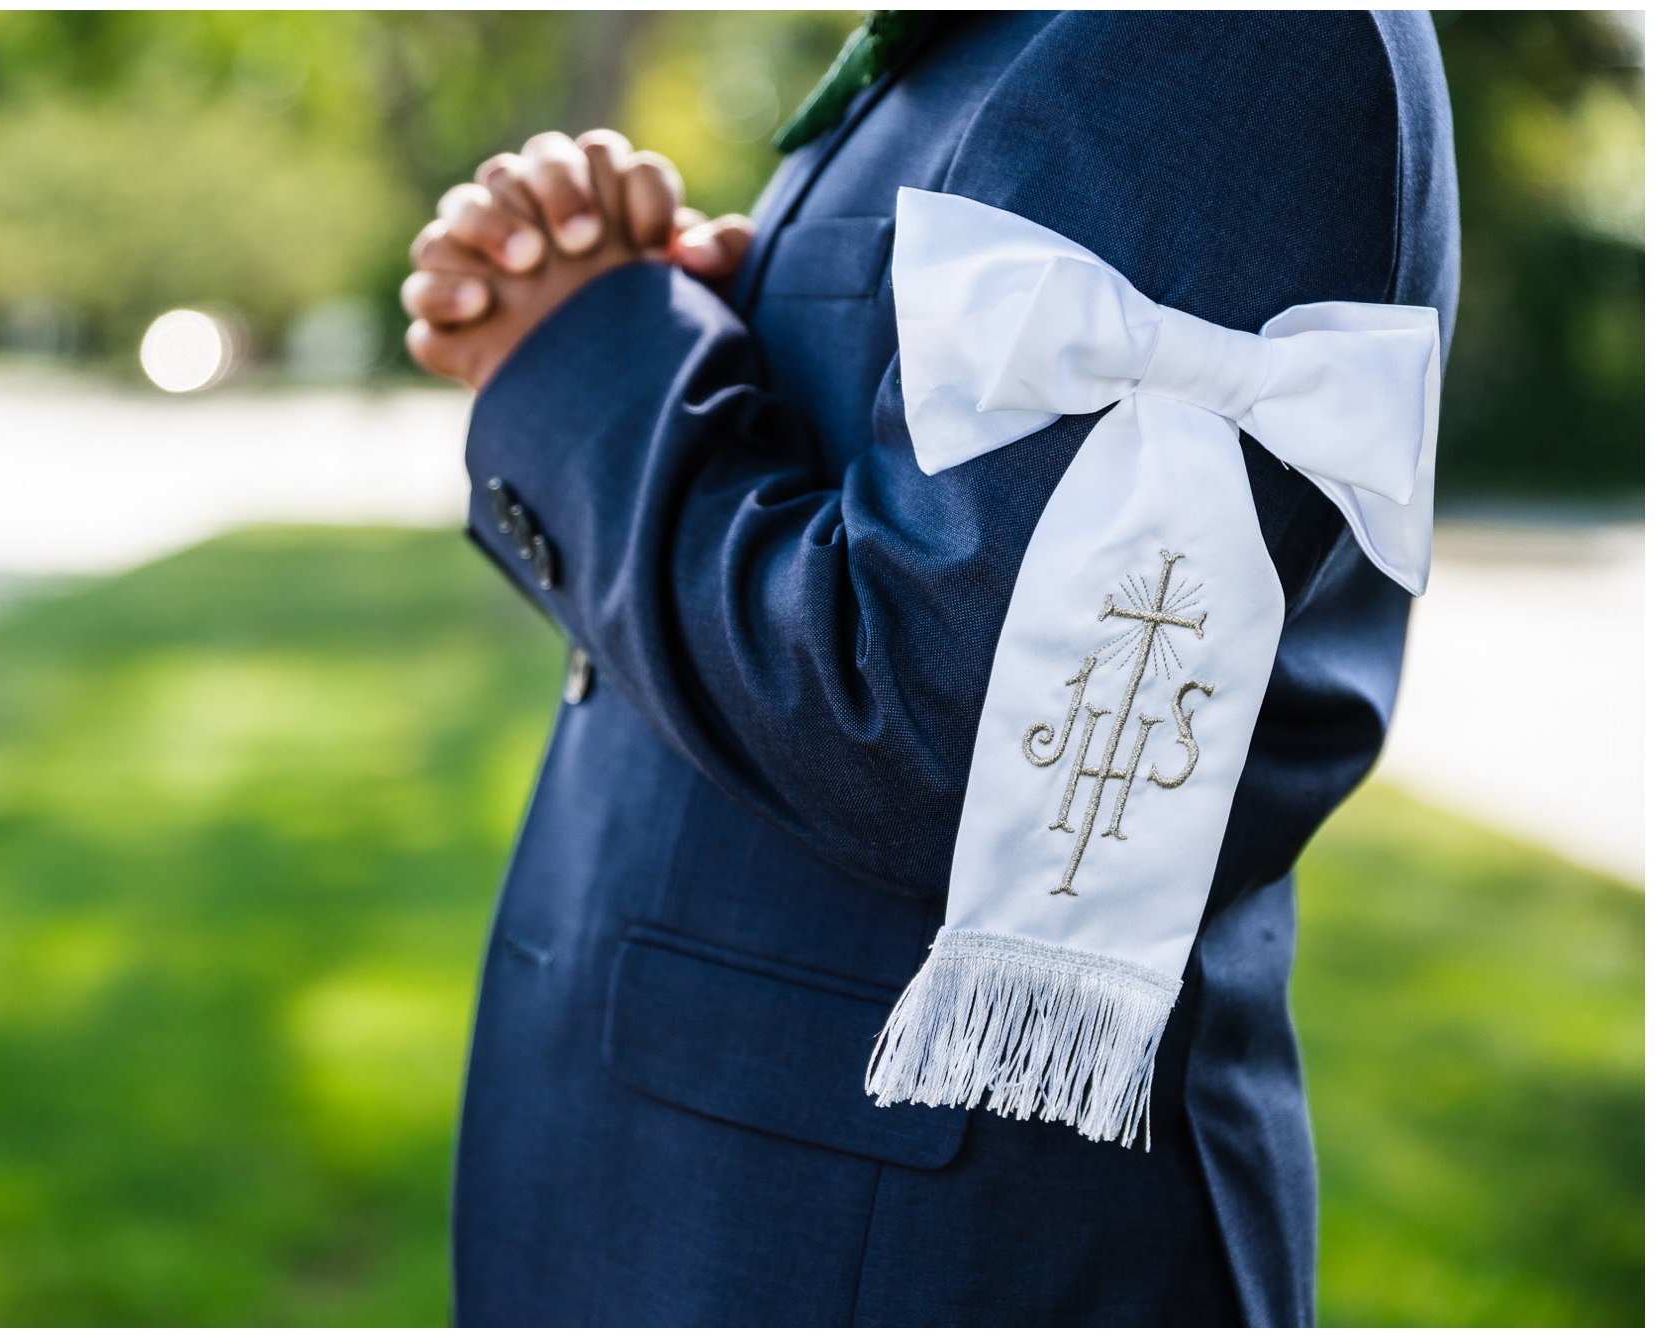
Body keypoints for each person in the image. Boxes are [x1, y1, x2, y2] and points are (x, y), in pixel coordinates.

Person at [400, 11, 1458, 1326]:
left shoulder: (1223, 37)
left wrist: (581, 359)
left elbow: (946, 728)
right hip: (716, 1208)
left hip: (893, 1250)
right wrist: (694, 327)